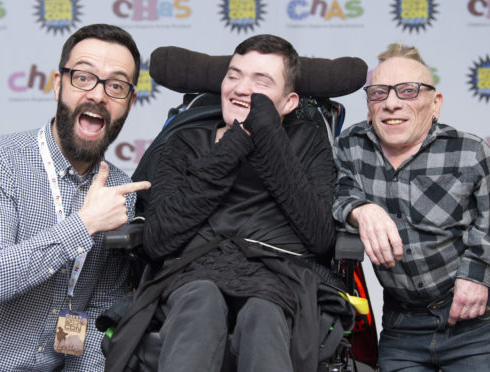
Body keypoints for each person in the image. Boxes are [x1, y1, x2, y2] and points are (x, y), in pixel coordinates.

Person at [0, 24, 150, 372]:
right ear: (58, 83)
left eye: (116, 86)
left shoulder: (118, 194)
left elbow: (95, 316)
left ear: (129, 103)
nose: (98, 95)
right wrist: (85, 224)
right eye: (84, 77)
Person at [104, 34, 338, 372]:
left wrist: (268, 135)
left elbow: (319, 236)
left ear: (288, 103)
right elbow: (158, 241)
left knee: (263, 311)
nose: (242, 88)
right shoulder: (184, 141)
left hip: (276, 277)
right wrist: (237, 141)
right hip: (192, 273)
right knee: (201, 302)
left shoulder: (307, 142)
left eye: (261, 81)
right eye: (234, 75)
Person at [332, 43, 490, 372]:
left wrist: (476, 275)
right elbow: (330, 192)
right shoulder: (349, 147)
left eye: (408, 91)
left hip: (475, 323)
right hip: (402, 327)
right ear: (369, 104)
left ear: (435, 104)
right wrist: (360, 209)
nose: (391, 103)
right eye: (379, 93)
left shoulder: (469, 152)